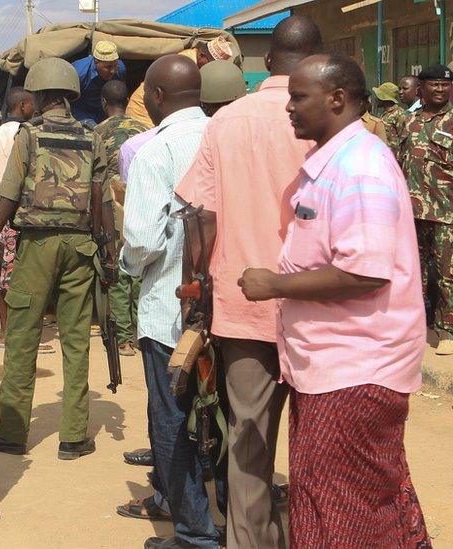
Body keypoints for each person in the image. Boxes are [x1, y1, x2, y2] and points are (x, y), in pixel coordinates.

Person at [240, 52, 431, 548]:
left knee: (346, 508)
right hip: (330, 364)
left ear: (338, 99)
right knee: (339, 498)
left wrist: (274, 285)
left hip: (356, 367)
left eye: (298, 97)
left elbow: (364, 271)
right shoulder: (334, 161)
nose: (289, 108)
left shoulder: (361, 166)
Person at [175, 16, 323, 549]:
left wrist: (199, 289)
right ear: (317, 60)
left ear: (267, 62)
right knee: (319, 445)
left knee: (248, 444)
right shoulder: (332, 121)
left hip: (242, 307)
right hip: (320, 306)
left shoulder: (227, 122)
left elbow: (200, 215)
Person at [0, 57, 117, 460]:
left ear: (38, 96)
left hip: (36, 246)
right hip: (80, 245)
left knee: (22, 335)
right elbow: (102, 198)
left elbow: (9, 191)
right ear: (71, 94)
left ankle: (11, 430)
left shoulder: (30, 134)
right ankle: (73, 436)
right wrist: (107, 249)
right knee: (76, 339)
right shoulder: (91, 138)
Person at [122, 54, 217, 549]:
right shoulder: (223, 137)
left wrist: (125, 265)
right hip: (229, 306)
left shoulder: (153, 153)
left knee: (172, 418)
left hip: (170, 311)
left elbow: (142, 242)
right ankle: (221, 513)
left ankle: (194, 533)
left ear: (156, 97)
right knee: (219, 417)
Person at [0, 87, 52, 353]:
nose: (35, 109)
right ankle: (21, 336)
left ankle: (4, 330)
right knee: (27, 272)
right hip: (22, 205)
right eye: (32, 104)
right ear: (23, 105)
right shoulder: (28, 134)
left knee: (2, 272)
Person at [94, 80, 151, 357]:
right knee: (140, 268)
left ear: (104, 103)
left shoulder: (97, 133)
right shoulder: (145, 130)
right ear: (128, 100)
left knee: (116, 269)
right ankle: (142, 334)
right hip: (141, 203)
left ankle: (123, 338)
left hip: (111, 208)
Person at [399, 64, 453, 355]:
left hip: (447, 214)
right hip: (411, 213)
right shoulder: (410, 122)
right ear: (422, 88)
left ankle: (447, 332)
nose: (440, 89)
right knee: (412, 272)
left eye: (445, 85)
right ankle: (415, 327)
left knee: (447, 274)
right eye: (434, 85)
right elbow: (398, 163)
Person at [127, 37, 234, 127]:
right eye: (211, 63)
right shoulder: (186, 63)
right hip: (143, 109)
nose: (213, 69)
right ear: (202, 56)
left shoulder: (196, 62)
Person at [71, 40, 127, 125]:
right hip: (82, 113)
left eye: (115, 65)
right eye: (108, 67)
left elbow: (121, 93)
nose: (113, 71)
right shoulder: (79, 72)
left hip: (106, 113)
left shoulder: (120, 69)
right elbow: (68, 99)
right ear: (96, 62)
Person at [373, 81, 407, 151]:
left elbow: (404, 138)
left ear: (385, 99)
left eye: (378, 96)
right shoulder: (384, 113)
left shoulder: (399, 114)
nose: (376, 99)